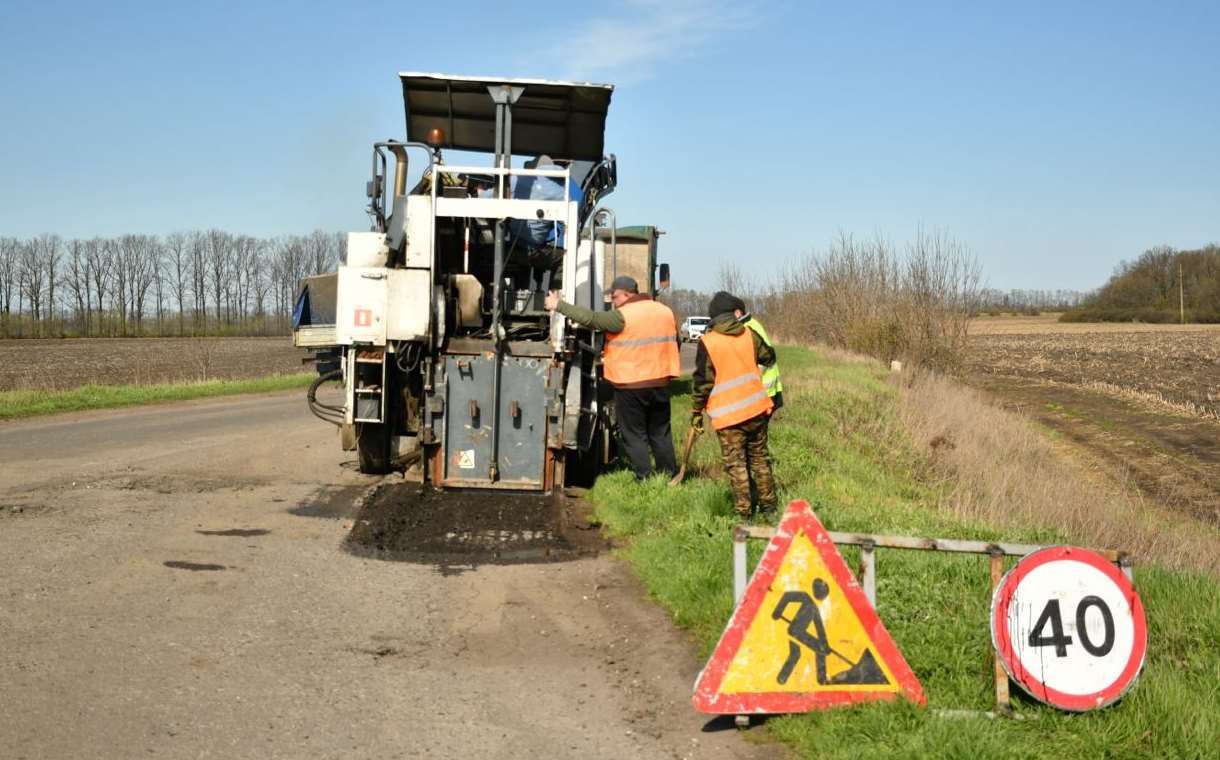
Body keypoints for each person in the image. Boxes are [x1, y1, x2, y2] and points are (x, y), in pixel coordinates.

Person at [544, 275, 680, 480]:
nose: (613, 302)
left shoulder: (623, 315)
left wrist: (558, 305)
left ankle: (645, 479)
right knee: (660, 432)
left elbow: (592, 319)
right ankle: (669, 476)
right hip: (660, 383)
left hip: (631, 385)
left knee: (634, 435)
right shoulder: (665, 312)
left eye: (615, 297)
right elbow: (674, 343)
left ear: (627, 294)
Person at [691, 291, 777, 519]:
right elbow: (769, 357)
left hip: (729, 417)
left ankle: (745, 516)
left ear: (714, 319)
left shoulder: (708, 342)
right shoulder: (749, 334)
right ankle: (769, 509)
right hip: (757, 409)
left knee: (736, 465)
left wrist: (696, 411)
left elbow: (703, 382)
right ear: (733, 315)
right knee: (760, 459)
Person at [725, 293, 783, 411]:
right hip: (765, 390)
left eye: (727, 315)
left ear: (737, 313)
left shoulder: (747, 329)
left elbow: (763, 360)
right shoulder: (751, 324)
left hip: (763, 391)